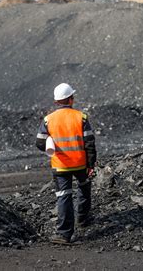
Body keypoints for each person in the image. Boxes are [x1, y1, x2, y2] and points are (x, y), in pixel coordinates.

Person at [36, 83, 97, 244]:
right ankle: (83, 219)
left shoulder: (48, 120)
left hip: (60, 165)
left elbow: (40, 143)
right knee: (84, 188)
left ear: (57, 102)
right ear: (70, 100)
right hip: (80, 164)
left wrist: (51, 143)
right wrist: (91, 164)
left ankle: (64, 234)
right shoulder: (81, 117)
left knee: (64, 196)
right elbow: (90, 143)